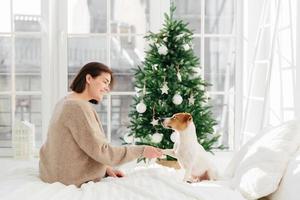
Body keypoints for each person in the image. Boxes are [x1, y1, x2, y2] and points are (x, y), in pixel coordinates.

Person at [39, 62, 162, 187]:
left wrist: (105, 167)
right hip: (67, 178)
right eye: (105, 81)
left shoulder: (65, 101)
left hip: (50, 172)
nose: (107, 88)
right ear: (88, 79)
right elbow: (103, 151)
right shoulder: (77, 107)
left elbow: (83, 147)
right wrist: (142, 150)